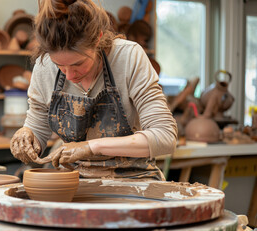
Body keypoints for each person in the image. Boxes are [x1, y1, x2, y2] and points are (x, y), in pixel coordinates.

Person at [10, 0, 177, 180]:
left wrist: (91, 147)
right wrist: (27, 135)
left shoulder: (128, 57)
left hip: (133, 176)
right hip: (73, 179)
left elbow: (165, 136)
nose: (69, 76)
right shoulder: (44, 66)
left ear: (98, 38)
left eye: (78, 64)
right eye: (60, 66)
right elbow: (37, 127)